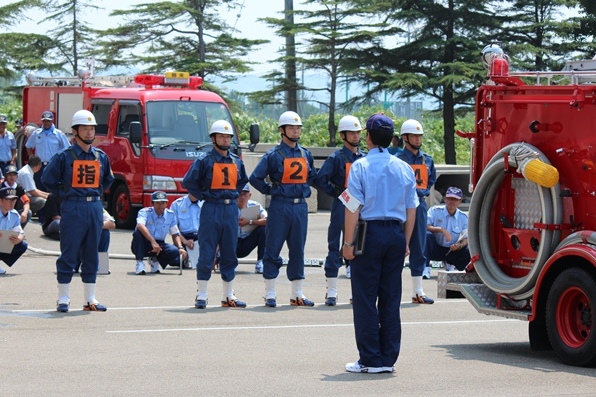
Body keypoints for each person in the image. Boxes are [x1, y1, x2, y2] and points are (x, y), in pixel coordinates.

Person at [342, 113, 418, 374]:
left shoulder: (360, 167)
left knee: (365, 297)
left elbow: (352, 208)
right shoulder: (404, 167)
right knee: (390, 297)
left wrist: (348, 243)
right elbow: (412, 209)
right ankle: (388, 358)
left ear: (369, 137)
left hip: (369, 233)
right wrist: (405, 241)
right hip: (396, 233)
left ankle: (370, 359)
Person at [41, 110, 114, 313]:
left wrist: (95, 194)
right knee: (69, 251)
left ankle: (90, 298)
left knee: (92, 252)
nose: (89, 132)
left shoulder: (101, 156)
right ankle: (63, 298)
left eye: (92, 129)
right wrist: (65, 194)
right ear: (76, 131)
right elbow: (47, 179)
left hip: (94, 206)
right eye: (85, 128)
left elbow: (108, 179)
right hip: (72, 207)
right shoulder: (64, 156)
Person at [249, 110, 318, 308]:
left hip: (300, 207)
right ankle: (270, 293)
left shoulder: (306, 154)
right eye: (291, 127)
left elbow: (312, 177)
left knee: (298, 250)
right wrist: (270, 190)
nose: (296, 131)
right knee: (272, 248)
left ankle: (297, 294)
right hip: (280, 206)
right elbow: (255, 178)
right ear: (282, 130)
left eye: (298, 128)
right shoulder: (273, 155)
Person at [182, 120, 249, 309]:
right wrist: (206, 195)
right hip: (211, 208)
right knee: (207, 252)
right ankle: (201, 295)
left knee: (229, 252)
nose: (226, 140)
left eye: (228, 137)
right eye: (222, 136)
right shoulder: (204, 160)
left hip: (230, 209)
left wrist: (232, 197)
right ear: (213, 138)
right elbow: (189, 181)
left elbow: (242, 182)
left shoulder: (236, 161)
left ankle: (229, 295)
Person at [313, 115, 364, 306]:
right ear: (343, 135)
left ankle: (356, 292)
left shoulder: (364, 157)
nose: (356, 136)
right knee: (334, 247)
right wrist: (337, 192)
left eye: (358, 132)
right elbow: (319, 179)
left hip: (359, 206)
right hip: (341, 205)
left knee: (358, 249)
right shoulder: (336, 158)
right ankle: (331, 292)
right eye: (351, 132)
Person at [396, 119, 436, 304]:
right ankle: (392, 289)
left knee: (419, 246)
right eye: (414, 136)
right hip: (399, 205)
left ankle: (417, 290)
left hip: (419, 204)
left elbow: (431, 181)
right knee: (396, 246)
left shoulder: (427, 159)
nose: (418, 139)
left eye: (420, 136)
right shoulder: (397, 160)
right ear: (405, 138)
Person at [131, 191, 187, 275]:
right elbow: (140, 225)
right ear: (152, 203)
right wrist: (153, 242)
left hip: (160, 244)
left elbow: (175, 233)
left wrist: (180, 247)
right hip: (144, 242)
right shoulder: (145, 212)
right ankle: (140, 262)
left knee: (175, 251)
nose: (160, 206)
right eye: (157, 203)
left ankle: (154, 259)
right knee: (138, 233)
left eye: (163, 203)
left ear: (166, 203)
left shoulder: (170, 215)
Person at [426, 187, 470, 271]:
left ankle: (451, 264)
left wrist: (459, 246)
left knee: (469, 249)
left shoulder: (463, 217)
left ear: (460, 202)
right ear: (445, 199)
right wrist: (441, 230)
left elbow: (467, 238)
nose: (451, 201)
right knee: (426, 236)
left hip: (452, 250)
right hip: (435, 248)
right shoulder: (435, 211)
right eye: (449, 198)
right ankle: (425, 267)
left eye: (455, 199)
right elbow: (425, 226)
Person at [25, 110, 70, 191]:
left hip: (53, 165)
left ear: (52, 121)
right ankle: (40, 204)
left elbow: (67, 149)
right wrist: (32, 157)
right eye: (44, 121)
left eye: (48, 121)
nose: (46, 123)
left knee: (52, 188)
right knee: (39, 187)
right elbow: (28, 146)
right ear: (42, 121)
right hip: (39, 165)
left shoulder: (59, 134)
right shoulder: (37, 133)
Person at [236, 184, 267, 274]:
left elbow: (267, 220)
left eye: (245, 194)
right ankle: (228, 262)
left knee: (264, 229)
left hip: (247, 241)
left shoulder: (255, 206)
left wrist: (250, 222)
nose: (242, 197)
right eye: (240, 194)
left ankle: (261, 262)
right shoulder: (230, 207)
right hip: (232, 242)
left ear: (249, 195)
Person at [169, 193, 203, 268]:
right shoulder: (177, 204)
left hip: (201, 237)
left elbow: (210, 226)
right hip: (183, 237)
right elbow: (173, 228)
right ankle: (185, 258)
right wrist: (185, 242)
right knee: (171, 259)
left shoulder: (206, 204)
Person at [0, 187, 28, 275]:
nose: (12, 202)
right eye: (8, 199)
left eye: (14, 199)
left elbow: (20, 233)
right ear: (0, 201)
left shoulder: (14, 215)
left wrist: (19, 239)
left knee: (22, 245)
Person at [17, 155, 49, 222]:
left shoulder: (27, 170)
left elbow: (34, 189)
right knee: (41, 201)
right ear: (38, 166)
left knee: (45, 198)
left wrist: (48, 195)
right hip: (18, 199)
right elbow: (33, 192)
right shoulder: (26, 173)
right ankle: (22, 215)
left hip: (23, 197)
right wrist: (48, 197)